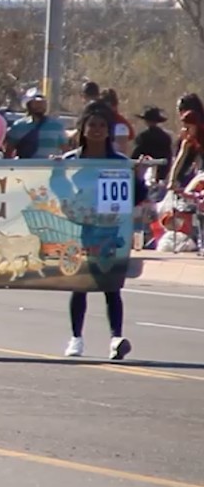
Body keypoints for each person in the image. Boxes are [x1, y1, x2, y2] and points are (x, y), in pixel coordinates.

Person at [59, 102, 145, 360]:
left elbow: (136, 196)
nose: (97, 130)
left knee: (111, 286)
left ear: (109, 131)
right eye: (92, 125)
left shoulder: (119, 162)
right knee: (80, 284)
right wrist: (56, 173)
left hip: (110, 232)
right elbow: (58, 191)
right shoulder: (70, 161)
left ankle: (115, 338)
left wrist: (137, 175)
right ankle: (76, 339)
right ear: (83, 129)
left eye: (102, 126)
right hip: (79, 230)